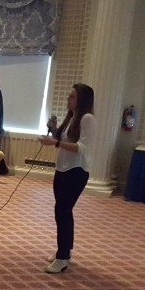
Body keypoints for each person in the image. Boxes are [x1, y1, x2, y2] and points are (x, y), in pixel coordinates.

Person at [39, 84, 95, 274]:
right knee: (61, 211)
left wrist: (55, 142)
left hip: (76, 171)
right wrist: (54, 130)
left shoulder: (87, 118)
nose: (68, 99)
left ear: (82, 99)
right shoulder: (72, 118)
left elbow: (81, 147)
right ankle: (63, 251)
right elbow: (65, 140)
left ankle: (63, 257)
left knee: (63, 211)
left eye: (72, 96)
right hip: (62, 169)